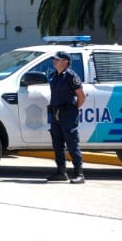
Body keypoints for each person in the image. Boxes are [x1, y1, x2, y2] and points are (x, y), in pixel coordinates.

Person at [47, 50, 86, 183]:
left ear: (66, 62)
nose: (54, 61)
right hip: (55, 113)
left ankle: (79, 174)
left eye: (57, 60)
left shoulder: (70, 75)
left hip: (67, 114)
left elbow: (81, 95)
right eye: (54, 59)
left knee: (72, 143)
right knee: (57, 144)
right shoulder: (54, 75)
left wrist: (73, 110)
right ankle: (61, 172)